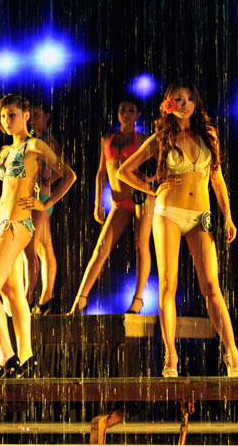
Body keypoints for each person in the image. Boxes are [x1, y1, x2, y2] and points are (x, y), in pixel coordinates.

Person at [116, 80, 238, 377]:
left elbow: (217, 178)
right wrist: (151, 187)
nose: (184, 104)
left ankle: (232, 354)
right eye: (178, 99)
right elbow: (124, 171)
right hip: (168, 213)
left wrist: (228, 216)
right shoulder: (161, 137)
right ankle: (170, 358)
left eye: (188, 99)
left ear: (196, 104)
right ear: (169, 104)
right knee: (167, 285)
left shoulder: (208, 135)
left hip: (200, 215)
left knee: (211, 286)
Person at [0, 94, 75, 377]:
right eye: (2, 116)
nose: (6, 121)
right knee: (13, 293)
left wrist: (45, 203)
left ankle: (6, 356)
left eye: (12, 115)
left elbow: (68, 174)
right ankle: (26, 356)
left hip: (17, 225)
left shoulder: (34, 146)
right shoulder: (6, 151)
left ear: (26, 116)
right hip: (2, 224)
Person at [71, 97, 154, 315]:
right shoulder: (107, 138)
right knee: (101, 249)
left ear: (138, 115)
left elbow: (161, 162)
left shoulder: (143, 139)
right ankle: (80, 299)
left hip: (140, 197)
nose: (125, 114)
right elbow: (101, 173)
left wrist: (151, 179)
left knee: (141, 245)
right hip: (119, 202)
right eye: (122, 109)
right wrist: (97, 202)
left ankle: (138, 300)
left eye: (131, 110)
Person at [25, 101, 63, 314]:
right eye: (31, 116)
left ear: (47, 116)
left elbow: (64, 165)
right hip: (37, 196)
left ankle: (28, 297)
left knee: (32, 248)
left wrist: (48, 180)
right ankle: (47, 297)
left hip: (40, 197)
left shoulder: (47, 140)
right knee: (44, 247)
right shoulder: (35, 139)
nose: (32, 120)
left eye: (37, 115)